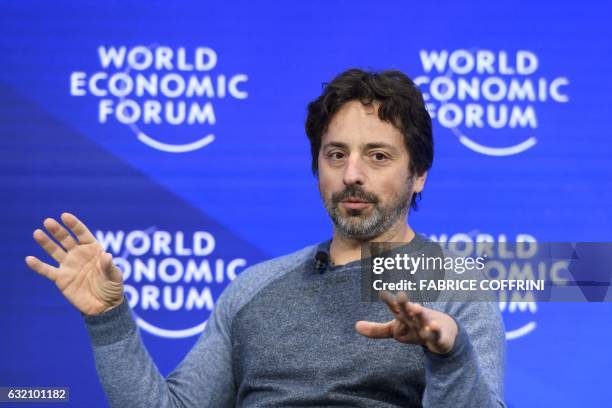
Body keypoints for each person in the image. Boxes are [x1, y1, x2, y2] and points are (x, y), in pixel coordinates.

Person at [25, 68, 506, 407]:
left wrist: (448, 355)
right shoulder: (253, 289)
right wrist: (109, 320)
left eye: (378, 156)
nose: (352, 174)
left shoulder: (455, 284)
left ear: (418, 173)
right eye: (336, 155)